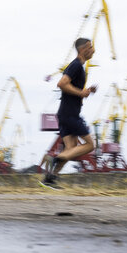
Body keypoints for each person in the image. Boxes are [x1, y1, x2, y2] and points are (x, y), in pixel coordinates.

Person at [40, 38, 98, 189]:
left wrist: (86, 91)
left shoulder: (79, 67)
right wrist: (81, 93)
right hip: (70, 114)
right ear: (83, 49)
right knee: (91, 145)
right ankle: (55, 159)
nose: (93, 50)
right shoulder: (76, 65)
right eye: (90, 47)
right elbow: (61, 84)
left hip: (66, 113)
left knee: (70, 148)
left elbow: (71, 87)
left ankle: (50, 179)